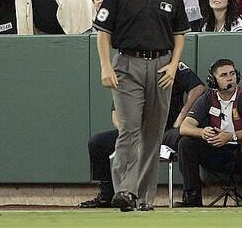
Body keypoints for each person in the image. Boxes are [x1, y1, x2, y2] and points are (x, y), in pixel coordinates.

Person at [93, 0, 191, 212]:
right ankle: (124, 190)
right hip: (127, 63)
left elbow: (179, 34)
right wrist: (105, 66)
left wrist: (173, 65)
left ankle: (143, 198)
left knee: (153, 134)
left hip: (161, 64)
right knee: (129, 129)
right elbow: (103, 31)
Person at [78, 62, 205, 209]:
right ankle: (107, 195)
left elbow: (198, 87)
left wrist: (181, 117)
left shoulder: (168, 65)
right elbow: (116, 114)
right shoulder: (126, 74)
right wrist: (130, 134)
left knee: (186, 141)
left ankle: (192, 196)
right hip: (135, 131)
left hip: (166, 130)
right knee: (97, 142)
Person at [176, 58, 242, 207]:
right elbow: (185, 127)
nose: (229, 78)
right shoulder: (208, 97)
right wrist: (202, 132)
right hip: (216, 153)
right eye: (224, 75)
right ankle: (192, 196)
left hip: (241, 154)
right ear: (213, 81)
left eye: (232, 73)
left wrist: (231, 136)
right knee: (186, 143)